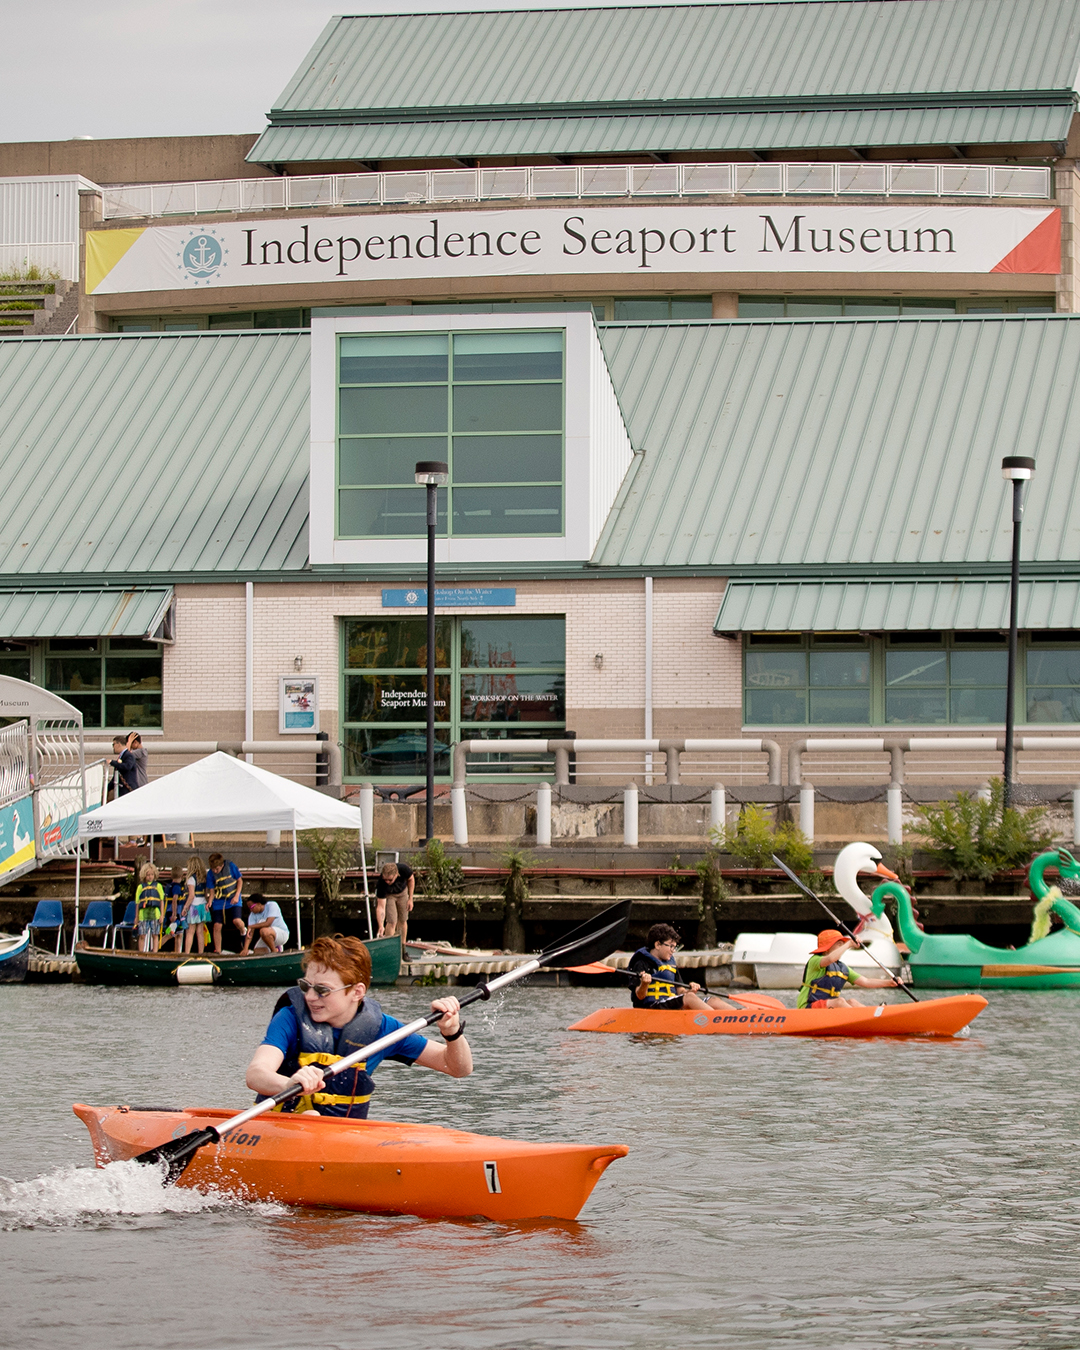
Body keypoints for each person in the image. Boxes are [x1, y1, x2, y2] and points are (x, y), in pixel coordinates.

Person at [245, 934, 471, 1117]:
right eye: (306, 986)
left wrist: (451, 1032)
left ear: (356, 992)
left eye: (322, 990)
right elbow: (256, 1074)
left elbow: (457, 1068)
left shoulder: (382, 1029)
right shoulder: (290, 1018)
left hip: (342, 1138)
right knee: (310, 1118)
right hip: (280, 1126)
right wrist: (289, 1083)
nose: (311, 997)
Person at [628, 923, 734, 1011]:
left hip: (671, 1004)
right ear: (657, 945)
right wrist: (644, 983)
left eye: (675, 947)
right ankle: (717, 1020)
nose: (673, 951)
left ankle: (742, 1016)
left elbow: (681, 992)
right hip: (652, 1007)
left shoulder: (670, 964)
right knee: (690, 998)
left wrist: (691, 991)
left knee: (713, 1000)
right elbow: (640, 996)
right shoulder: (641, 964)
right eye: (671, 946)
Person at [797, 929, 901, 1010]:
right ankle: (864, 1019)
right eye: (839, 945)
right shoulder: (815, 961)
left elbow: (866, 981)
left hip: (827, 1008)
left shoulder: (842, 968)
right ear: (827, 948)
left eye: (842, 945)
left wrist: (889, 983)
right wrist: (849, 944)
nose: (842, 947)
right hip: (808, 1006)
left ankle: (874, 1015)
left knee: (852, 1002)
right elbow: (830, 958)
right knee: (840, 1002)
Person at [206, 851, 244, 953]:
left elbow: (240, 880)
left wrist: (237, 896)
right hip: (219, 901)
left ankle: (243, 932)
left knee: (237, 921)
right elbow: (212, 890)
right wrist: (209, 901)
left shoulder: (230, 866)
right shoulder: (210, 874)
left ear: (221, 865)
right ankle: (218, 950)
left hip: (233, 898)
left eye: (217, 869)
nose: (215, 871)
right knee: (217, 925)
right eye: (213, 869)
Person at [376, 862, 415, 945]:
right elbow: (380, 907)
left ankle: (402, 946)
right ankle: (389, 945)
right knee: (392, 920)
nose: (387, 881)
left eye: (390, 880)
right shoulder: (381, 884)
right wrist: (380, 925)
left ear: (396, 875)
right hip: (389, 895)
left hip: (402, 892)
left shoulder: (403, 869)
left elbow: (411, 879)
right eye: (385, 879)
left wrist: (410, 899)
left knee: (403, 919)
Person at [180, 855, 209, 954]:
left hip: (194, 906)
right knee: (200, 931)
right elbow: (206, 894)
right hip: (203, 905)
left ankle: (187, 953)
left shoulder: (191, 879)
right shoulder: (204, 878)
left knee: (190, 931)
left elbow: (191, 895)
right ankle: (201, 953)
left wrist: (185, 907)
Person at [135, 862, 165, 952]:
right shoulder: (140, 887)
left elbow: (161, 901)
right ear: (144, 875)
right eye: (148, 875)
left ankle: (155, 952)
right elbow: (137, 903)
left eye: (152, 874)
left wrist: (162, 915)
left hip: (155, 914)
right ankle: (141, 953)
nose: (150, 877)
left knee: (155, 935)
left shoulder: (158, 886)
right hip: (143, 914)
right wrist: (136, 917)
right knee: (142, 935)